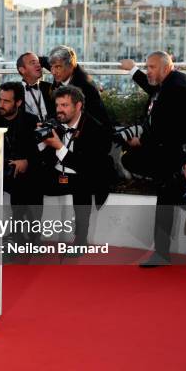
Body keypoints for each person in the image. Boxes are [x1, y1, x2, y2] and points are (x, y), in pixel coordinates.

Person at [120, 52, 186, 266]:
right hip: (173, 153)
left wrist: (141, 141)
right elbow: (153, 89)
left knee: (167, 194)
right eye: (147, 67)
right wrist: (133, 70)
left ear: (166, 68)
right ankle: (162, 251)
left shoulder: (177, 89)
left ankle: (162, 252)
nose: (149, 71)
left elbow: (166, 130)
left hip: (181, 156)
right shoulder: (170, 82)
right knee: (163, 191)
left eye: (152, 67)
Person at [38, 85, 113, 256]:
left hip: (83, 174)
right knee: (29, 182)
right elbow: (42, 154)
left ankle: (80, 241)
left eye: (64, 105)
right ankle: (30, 235)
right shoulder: (55, 121)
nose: (59, 110)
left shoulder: (95, 128)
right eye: (57, 105)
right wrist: (41, 139)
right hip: (58, 173)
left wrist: (59, 146)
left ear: (78, 106)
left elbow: (85, 165)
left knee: (82, 186)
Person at [0, 82, 42, 246]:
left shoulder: (30, 121)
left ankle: (26, 236)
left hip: (23, 172)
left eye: (6, 101)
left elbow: (39, 153)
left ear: (18, 103)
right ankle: (8, 235)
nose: (1, 104)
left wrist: (26, 161)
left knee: (27, 183)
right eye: (0, 100)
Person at [42, 45, 111, 129]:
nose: (53, 72)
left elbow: (83, 118)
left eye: (57, 67)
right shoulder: (62, 68)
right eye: (51, 67)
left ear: (71, 65)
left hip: (91, 130)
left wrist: (49, 124)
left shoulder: (84, 87)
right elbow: (44, 61)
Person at [16, 52, 55, 122]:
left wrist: (46, 62)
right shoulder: (14, 91)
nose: (38, 65)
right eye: (33, 63)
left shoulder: (50, 87)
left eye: (39, 62)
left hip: (50, 131)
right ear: (22, 70)